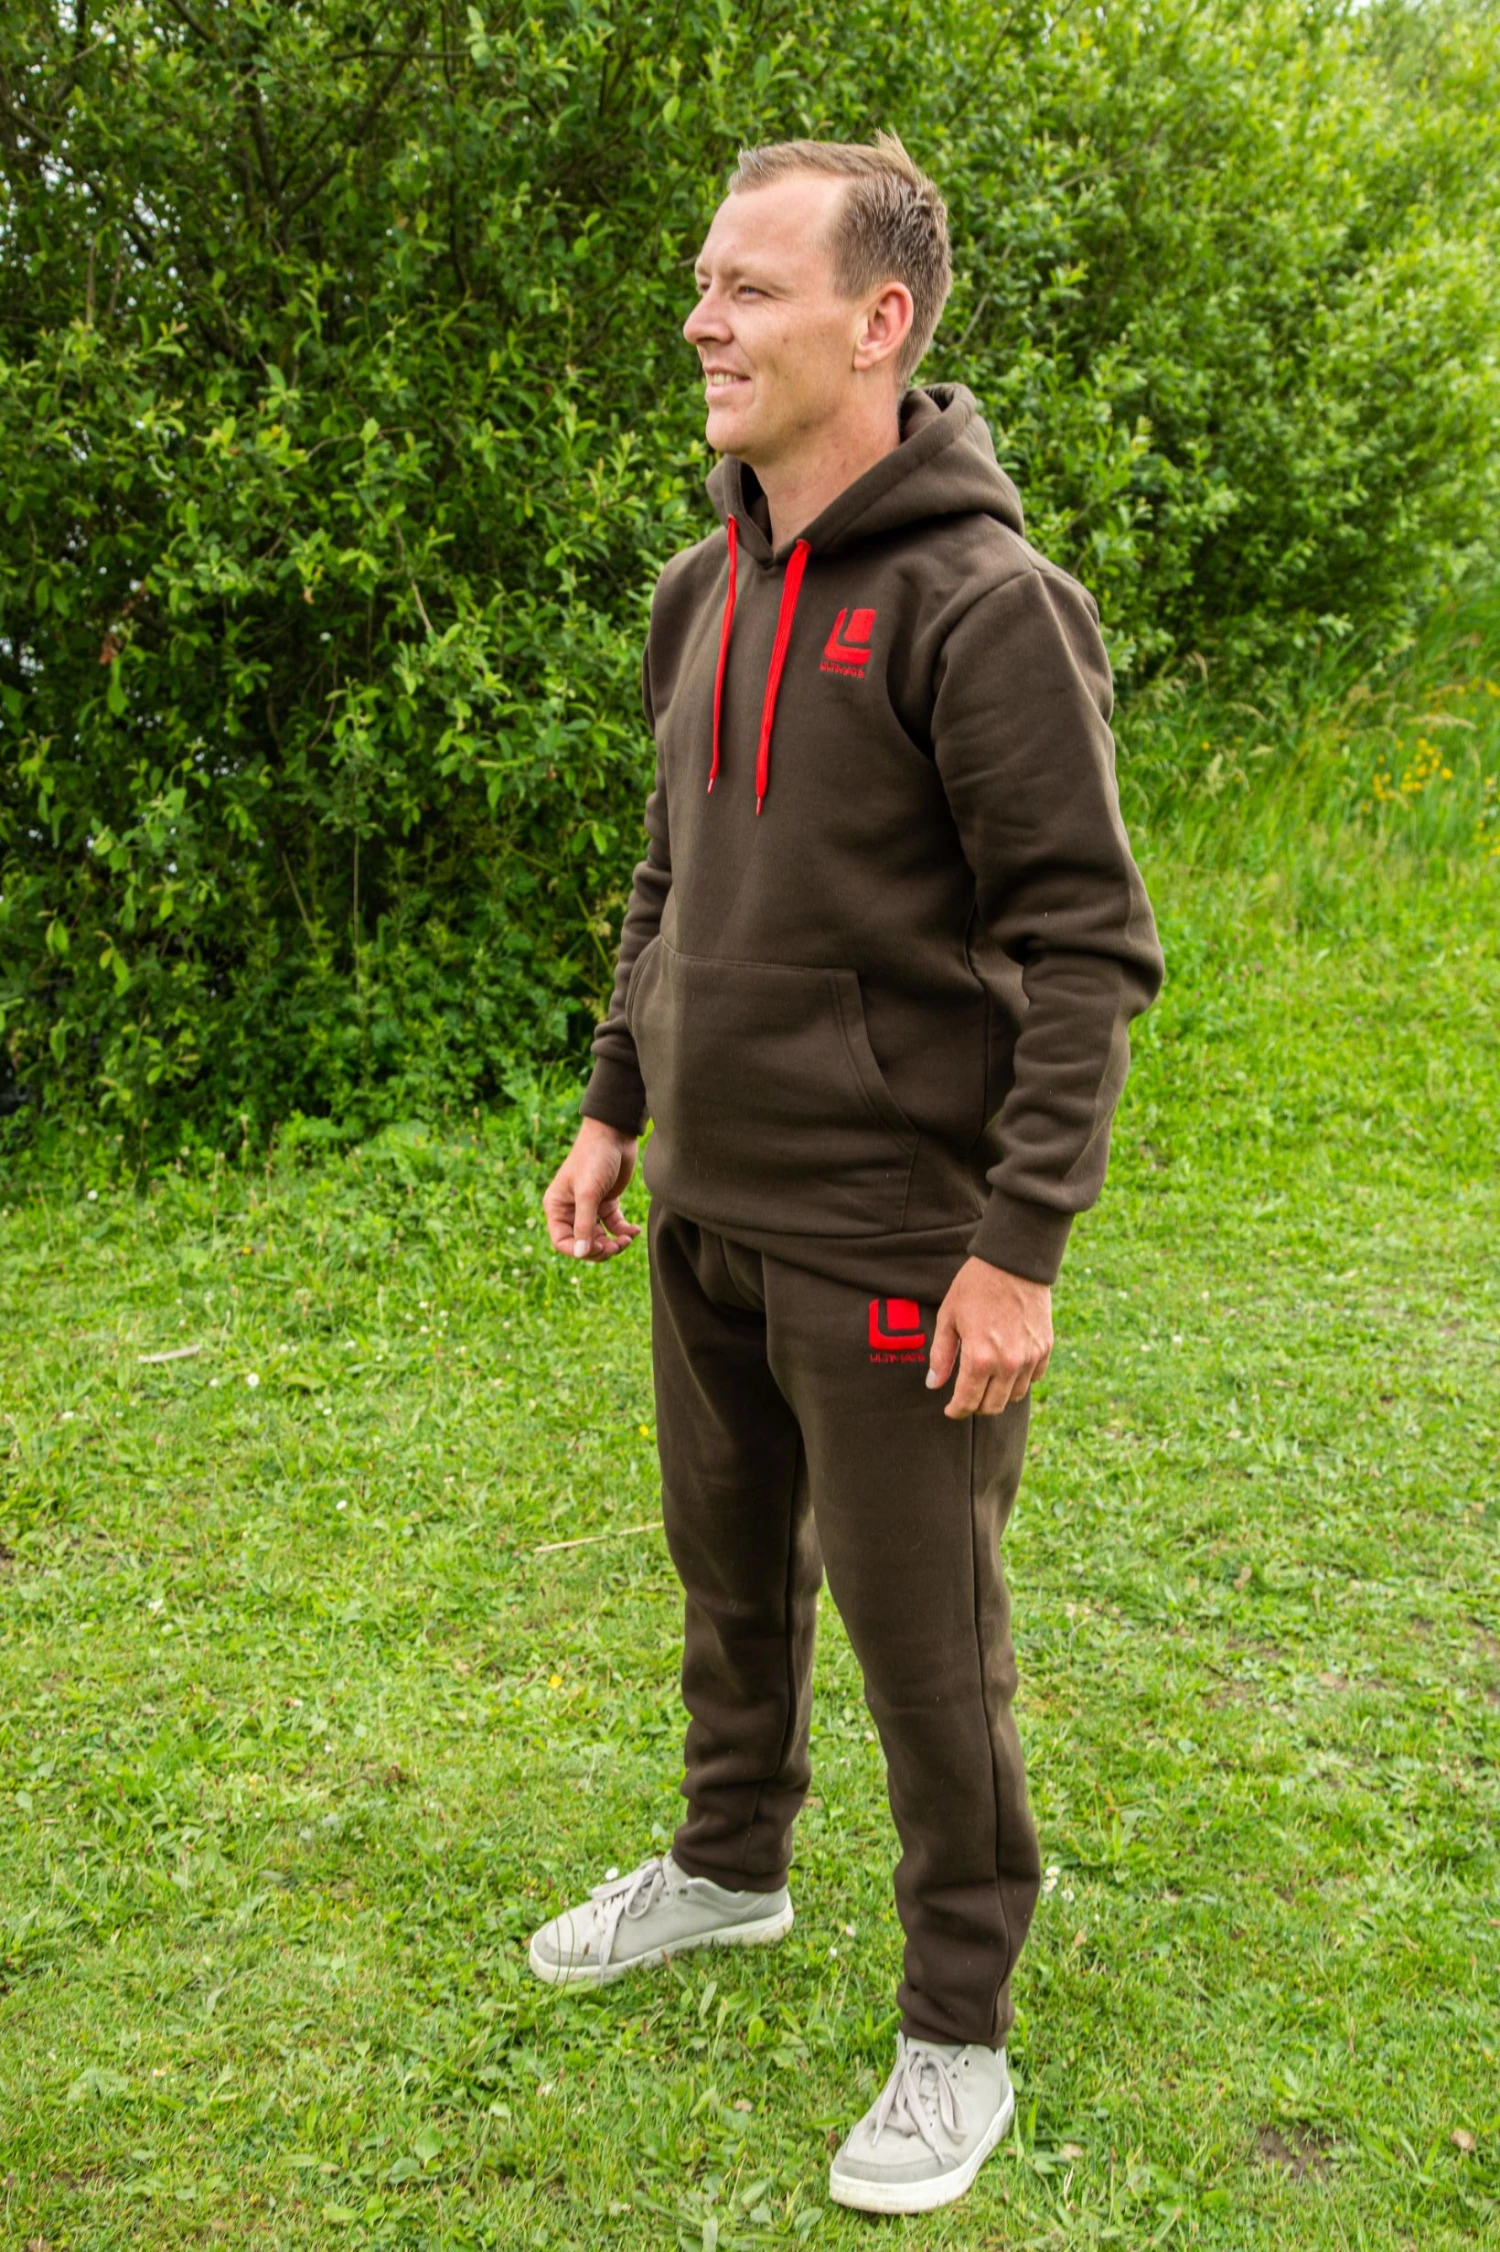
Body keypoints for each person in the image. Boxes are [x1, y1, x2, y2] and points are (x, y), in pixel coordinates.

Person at [530, 133, 1164, 2218]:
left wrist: (1019, 1247)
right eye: (703, 283)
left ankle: (958, 2025)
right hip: (708, 1211)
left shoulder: (988, 608)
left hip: (899, 1236)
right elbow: (669, 876)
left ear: (879, 323)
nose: (701, 322)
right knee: (728, 1580)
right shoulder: (699, 588)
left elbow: (1087, 946)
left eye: (750, 289)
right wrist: (619, 1106)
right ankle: (729, 1865)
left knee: (926, 1642)